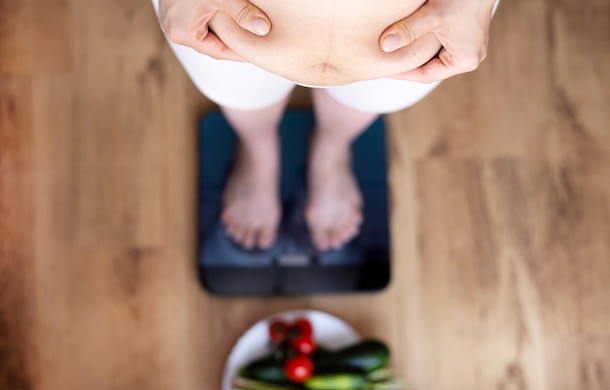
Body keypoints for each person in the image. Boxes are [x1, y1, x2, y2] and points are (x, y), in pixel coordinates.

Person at [152, 0, 499, 251]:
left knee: (373, 99)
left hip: (419, 34)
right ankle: (259, 150)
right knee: (241, 95)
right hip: (229, 23)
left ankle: (331, 150)